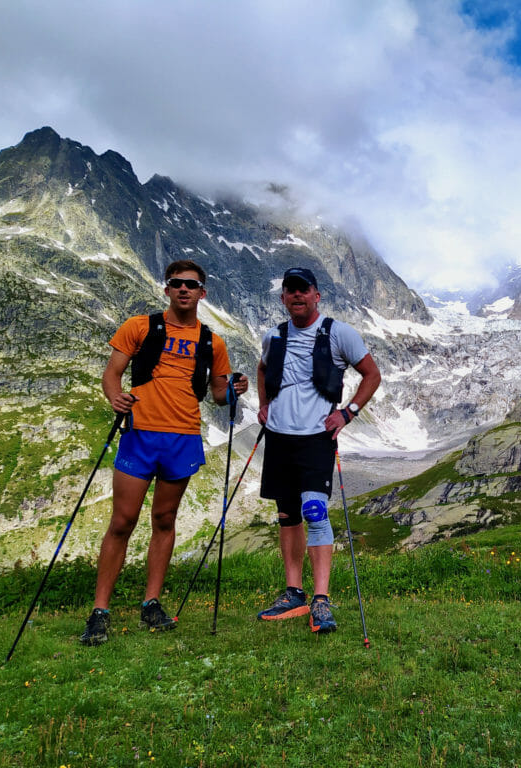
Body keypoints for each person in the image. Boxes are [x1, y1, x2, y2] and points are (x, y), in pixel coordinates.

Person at [80, 259, 248, 646]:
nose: (184, 290)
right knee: (122, 521)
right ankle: (99, 611)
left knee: (165, 519)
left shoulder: (212, 341)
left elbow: (218, 396)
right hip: (140, 434)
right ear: (167, 289)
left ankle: (151, 604)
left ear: (202, 293)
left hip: (183, 436)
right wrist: (114, 397)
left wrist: (234, 387)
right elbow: (112, 374)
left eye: (191, 285)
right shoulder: (140, 326)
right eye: (177, 283)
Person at [256, 266, 381, 633]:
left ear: (316, 295)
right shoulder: (274, 336)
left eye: (303, 290)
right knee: (287, 515)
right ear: (282, 298)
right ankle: (293, 592)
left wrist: (348, 413)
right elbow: (262, 369)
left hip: (316, 437)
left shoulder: (339, 333)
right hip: (279, 436)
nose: (296, 296)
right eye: (289, 291)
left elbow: (371, 374)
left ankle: (321, 599)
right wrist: (263, 406)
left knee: (314, 510)